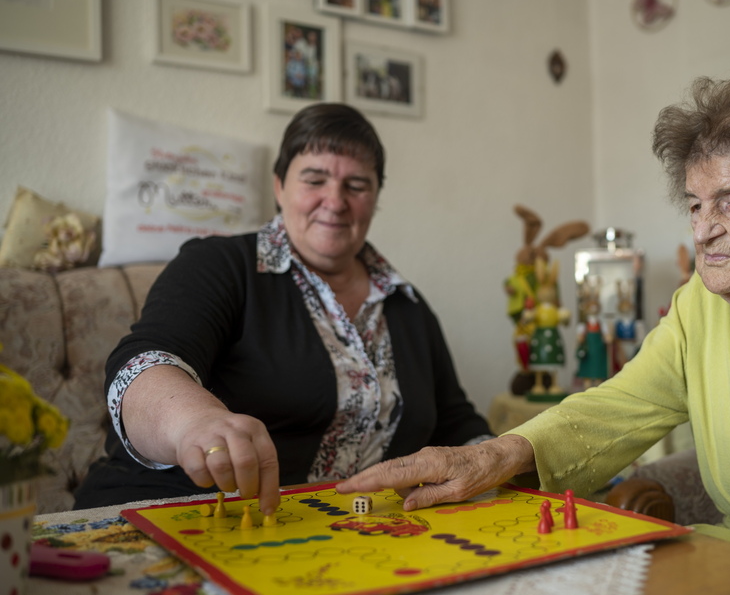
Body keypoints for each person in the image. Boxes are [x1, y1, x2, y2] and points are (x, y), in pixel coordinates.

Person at [339, 68, 730, 595]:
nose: (705, 228)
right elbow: (615, 408)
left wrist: (714, 564)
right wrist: (493, 454)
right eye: (694, 204)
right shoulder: (701, 305)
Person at [74, 103, 492, 515]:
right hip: (173, 516)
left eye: (357, 185)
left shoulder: (406, 305)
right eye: (314, 179)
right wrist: (192, 421)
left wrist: (496, 458)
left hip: (341, 543)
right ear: (278, 187)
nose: (335, 200)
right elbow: (145, 362)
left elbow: (456, 422)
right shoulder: (220, 264)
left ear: (376, 197)